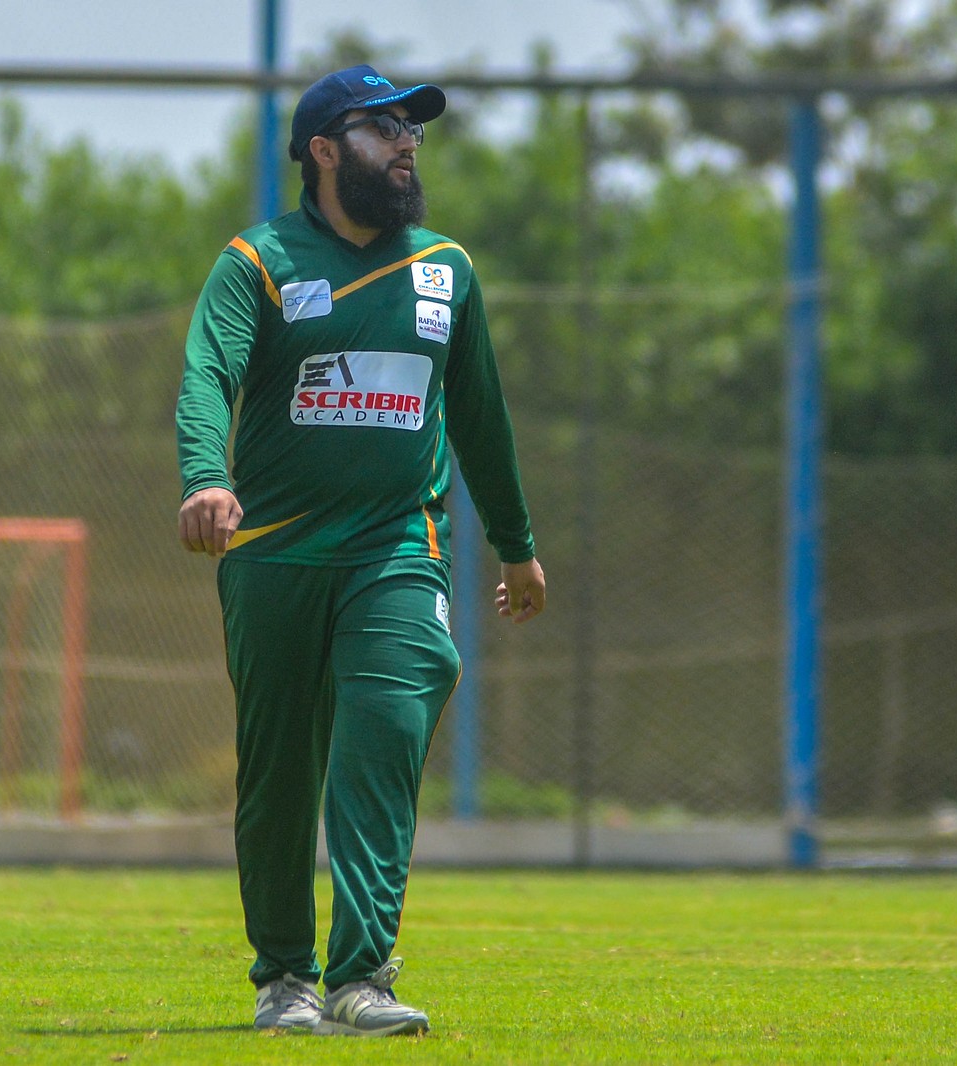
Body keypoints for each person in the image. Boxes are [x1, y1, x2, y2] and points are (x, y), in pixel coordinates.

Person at [175, 63, 546, 1038]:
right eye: (384, 129)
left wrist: (516, 545)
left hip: (397, 552)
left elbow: (481, 416)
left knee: (385, 731)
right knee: (280, 774)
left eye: (412, 129)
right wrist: (205, 476)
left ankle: (360, 977)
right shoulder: (256, 261)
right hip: (274, 554)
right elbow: (208, 372)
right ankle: (285, 980)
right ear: (324, 150)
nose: (407, 143)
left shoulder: (447, 270)